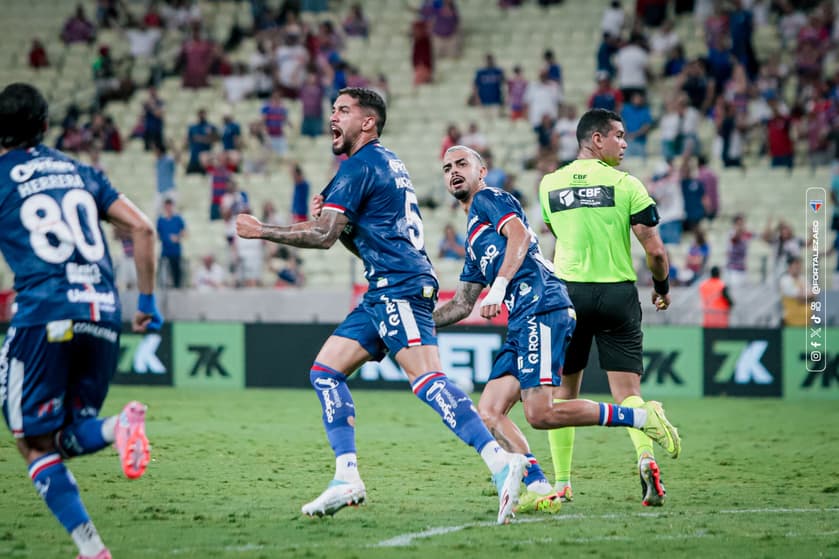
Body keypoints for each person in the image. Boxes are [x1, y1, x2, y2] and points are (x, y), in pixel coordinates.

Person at [236, 87, 529, 524]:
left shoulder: (360, 165)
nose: (333, 117)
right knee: (325, 371)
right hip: (383, 288)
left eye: (343, 110)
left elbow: (322, 235)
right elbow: (366, 237)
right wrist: (336, 225)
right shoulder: (386, 163)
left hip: (401, 286)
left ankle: (500, 461)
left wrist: (263, 231)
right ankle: (347, 477)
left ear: (367, 122)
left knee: (426, 378)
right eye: (332, 108)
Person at [434, 145, 680, 513]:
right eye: (447, 167)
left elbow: (520, 238)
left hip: (542, 305)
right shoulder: (472, 237)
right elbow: (461, 304)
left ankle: (642, 416)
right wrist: (414, 323)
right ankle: (541, 485)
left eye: (462, 164)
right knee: (488, 412)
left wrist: (499, 287)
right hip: (522, 318)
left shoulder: (490, 198)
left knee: (541, 414)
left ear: (481, 172)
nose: (454, 170)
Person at [0, 82, 163, 559]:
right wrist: (148, 304)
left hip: (43, 314)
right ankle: (117, 430)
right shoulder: (80, 172)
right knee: (66, 435)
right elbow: (143, 228)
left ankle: (91, 548)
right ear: (46, 126)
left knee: (32, 443)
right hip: (102, 316)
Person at [538, 108, 680, 507]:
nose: (624, 143)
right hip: (616, 294)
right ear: (595, 139)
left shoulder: (549, 184)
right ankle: (645, 457)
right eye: (618, 135)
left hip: (567, 296)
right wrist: (662, 287)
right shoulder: (627, 184)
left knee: (563, 396)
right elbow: (655, 251)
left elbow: (558, 232)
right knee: (628, 394)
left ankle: (563, 483)